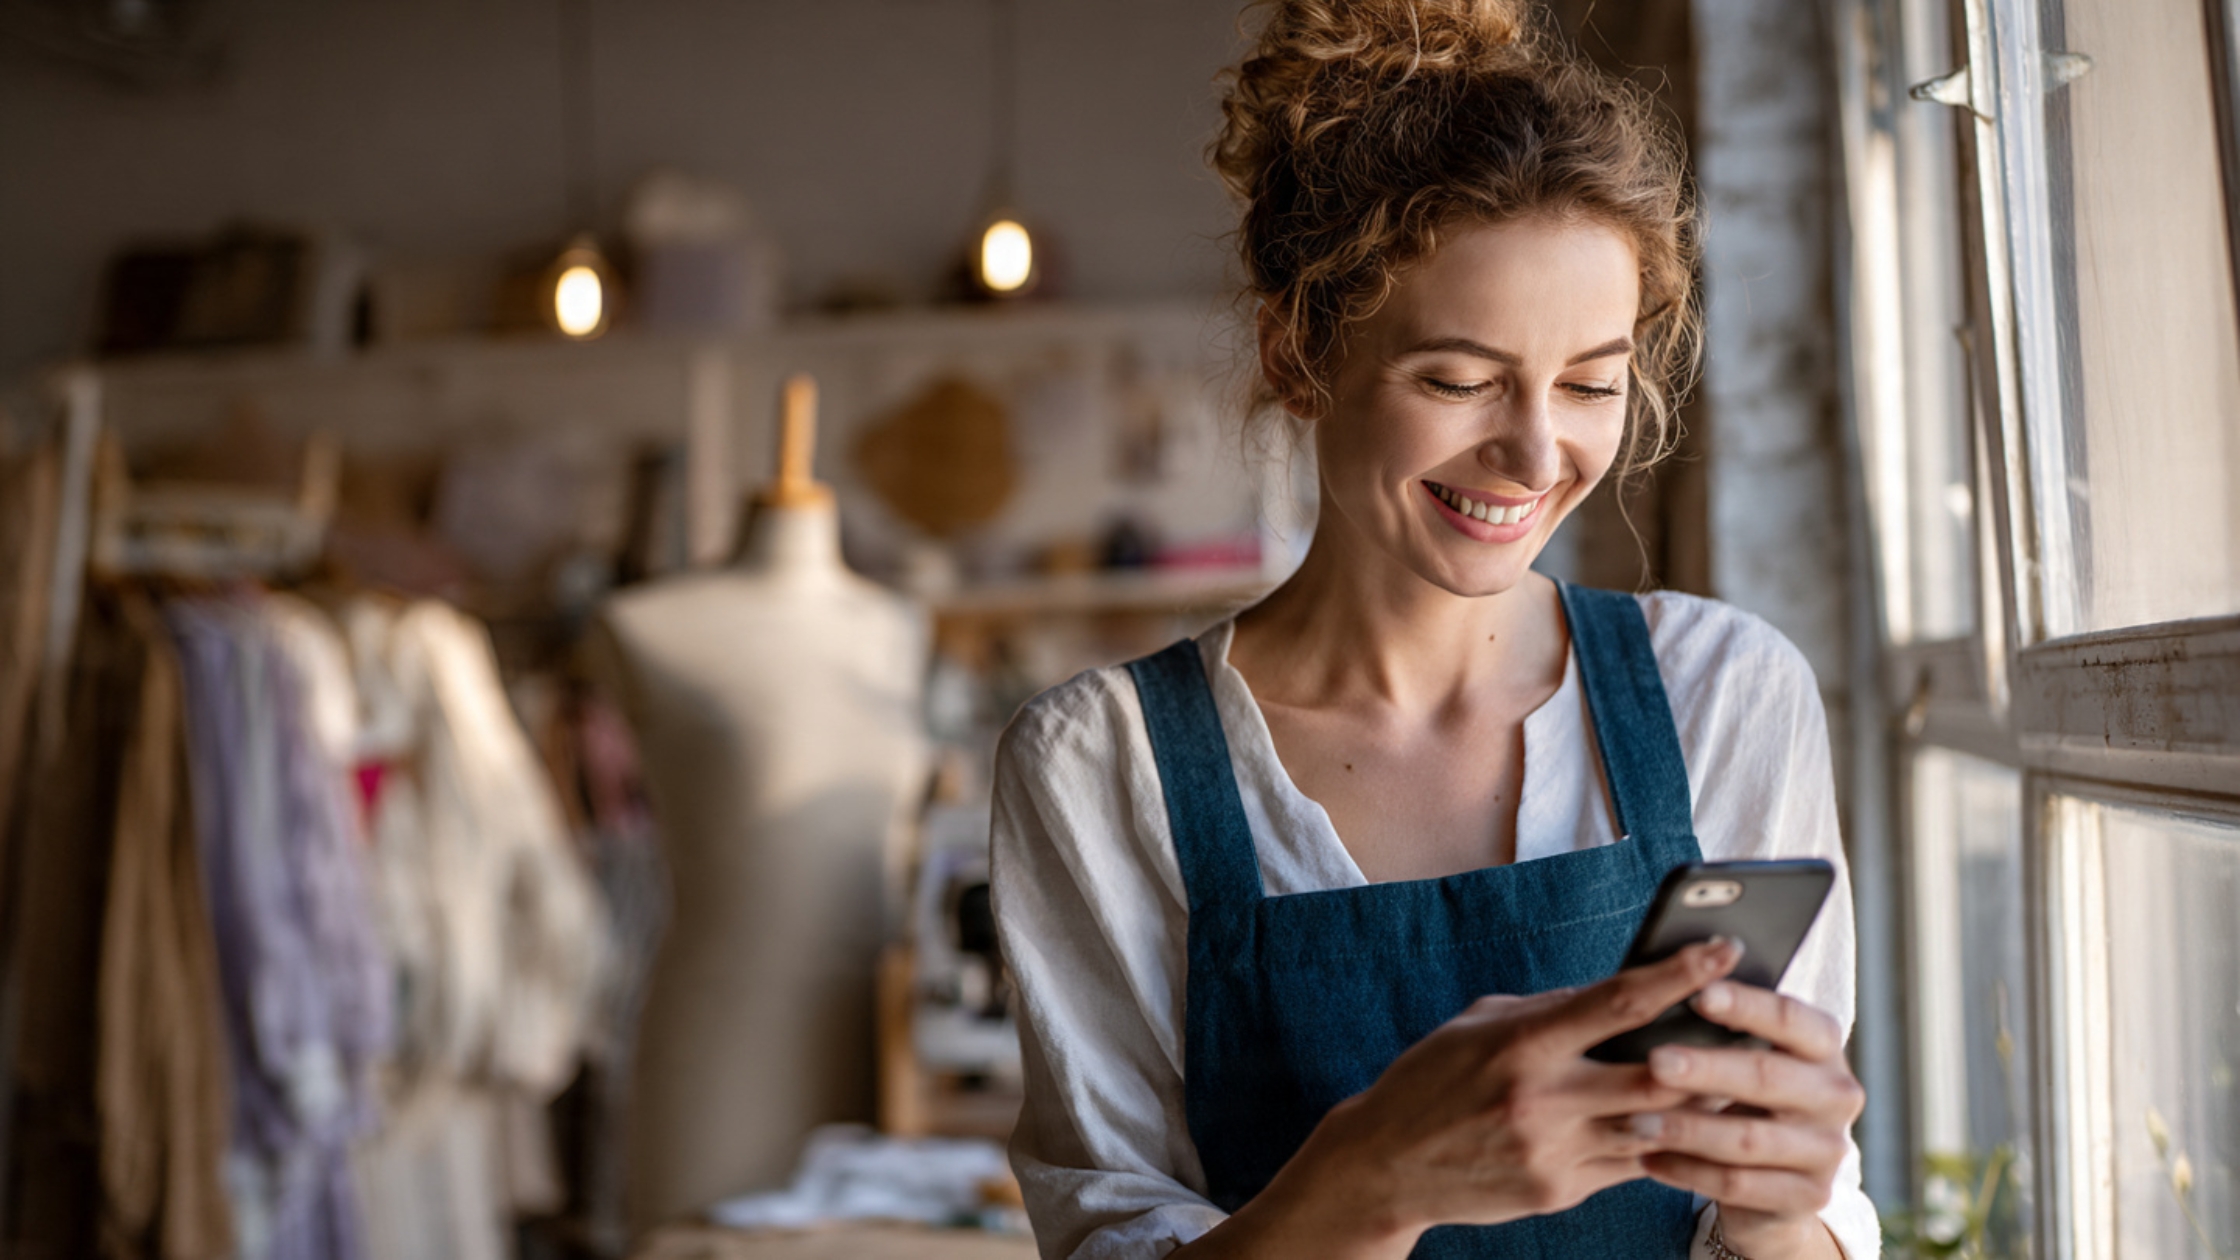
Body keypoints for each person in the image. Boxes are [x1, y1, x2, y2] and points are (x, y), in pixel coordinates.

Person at [988, 1, 1878, 1256]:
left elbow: (1803, 1215)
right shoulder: (1101, 767)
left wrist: (1783, 1210)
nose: (1531, 452)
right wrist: (1369, 1184)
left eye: (1588, 383)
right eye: (1457, 380)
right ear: (1297, 352)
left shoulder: (1721, 694)